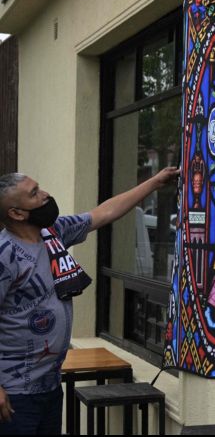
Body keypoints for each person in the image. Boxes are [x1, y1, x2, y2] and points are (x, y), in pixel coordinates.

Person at [0, 167, 179, 435]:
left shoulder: (53, 233)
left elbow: (103, 213)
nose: (46, 195)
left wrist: (154, 183)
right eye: (34, 194)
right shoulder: (5, 256)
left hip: (49, 385)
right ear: (16, 213)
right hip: (15, 394)